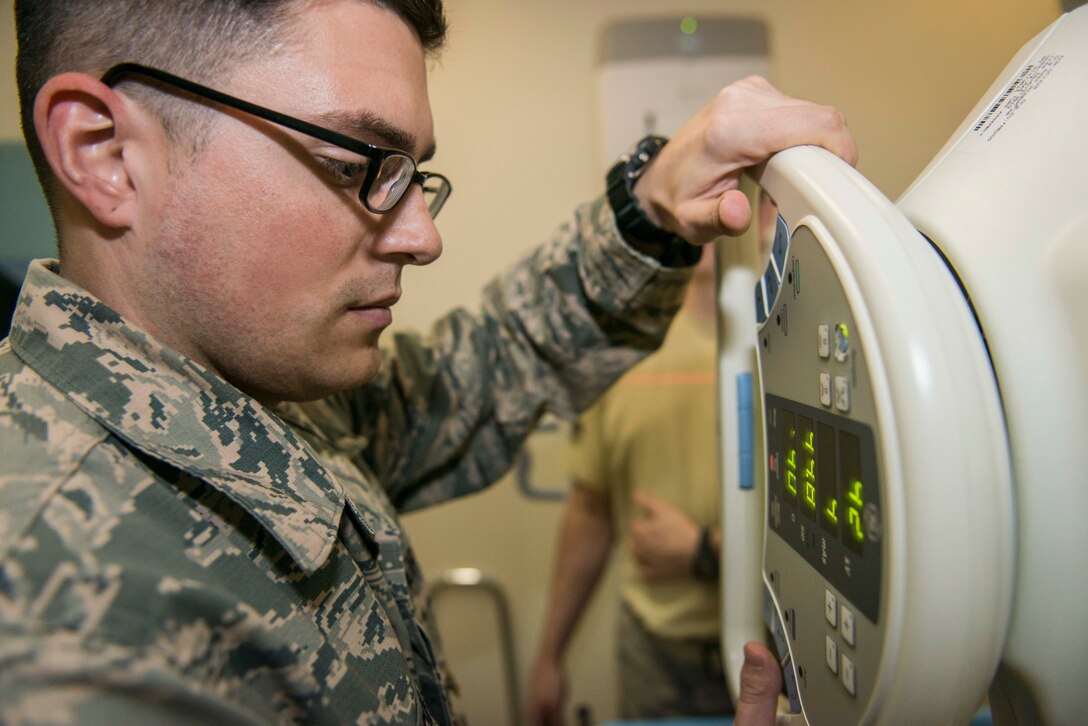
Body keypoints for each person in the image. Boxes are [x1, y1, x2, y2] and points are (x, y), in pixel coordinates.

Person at [0, 1, 856, 723]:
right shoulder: (61, 622)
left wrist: (654, 207)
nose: (423, 235)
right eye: (355, 165)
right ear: (104, 153)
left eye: (415, 178)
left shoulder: (267, 394)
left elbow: (487, 367)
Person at [528, 238, 729, 723]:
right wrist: (550, 656)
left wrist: (704, 551)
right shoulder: (624, 349)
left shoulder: (793, 344)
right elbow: (591, 510)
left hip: (779, 646)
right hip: (654, 655)